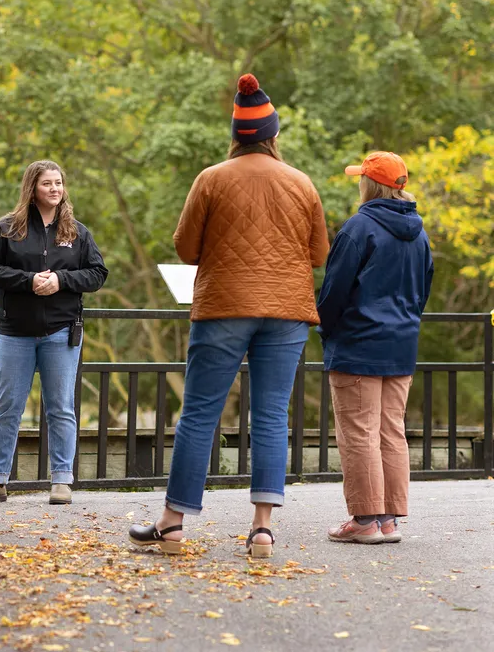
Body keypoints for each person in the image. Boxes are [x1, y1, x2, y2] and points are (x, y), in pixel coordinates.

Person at [129, 74, 329, 558]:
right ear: (273, 134)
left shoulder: (212, 178)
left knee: (199, 413)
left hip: (223, 306)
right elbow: (320, 253)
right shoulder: (302, 183)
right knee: (270, 415)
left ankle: (172, 524)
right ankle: (261, 530)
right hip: (286, 311)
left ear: (236, 135)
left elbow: (186, 246)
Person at [0, 160, 108, 506]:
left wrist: (62, 280)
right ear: (32, 188)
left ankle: (62, 481)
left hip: (60, 333)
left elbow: (97, 273)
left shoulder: (77, 232)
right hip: (15, 333)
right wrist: (27, 281)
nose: (54, 189)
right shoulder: (7, 228)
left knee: (61, 407)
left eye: (59, 183)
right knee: (7, 408)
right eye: (47, 183)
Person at [317, 152, 433, 545]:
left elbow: (333, 292)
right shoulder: (419, 233)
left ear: (370, 184)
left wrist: (327, 332)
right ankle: (389, 520)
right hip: (400, 345)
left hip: (358, 345)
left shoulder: (358, 228)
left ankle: (365, 519)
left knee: (359, 432)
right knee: (390, 431)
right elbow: (423, 291)